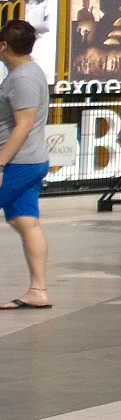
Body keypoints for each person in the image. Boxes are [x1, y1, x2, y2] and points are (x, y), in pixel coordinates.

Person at [1, 19, 55, 307]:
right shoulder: (29, 72)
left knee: (27, 223)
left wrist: (0, 164)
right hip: (31, 160)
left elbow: (23, 125)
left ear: (4, 45)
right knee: (25, 222)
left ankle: (38, 289)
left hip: (17, 163)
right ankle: (38, 290)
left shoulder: (22, 78)